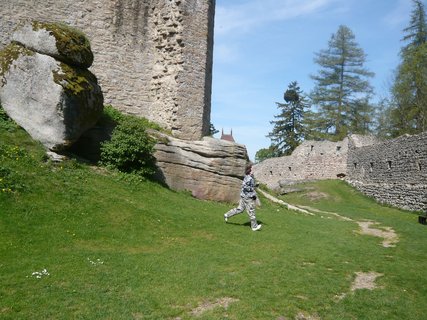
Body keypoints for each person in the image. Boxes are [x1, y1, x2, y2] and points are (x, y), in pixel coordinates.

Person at [224, 163, 262, 231]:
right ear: (250, 169)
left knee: (240, 209)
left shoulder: (250, 176)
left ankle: (227, 215)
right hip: (248, 197)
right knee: (251, 211)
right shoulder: (249, 177)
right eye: (252, 168)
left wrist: (255, 185)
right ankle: (254, 227)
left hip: (244, 196)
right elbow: (245, 186)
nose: (254, 169)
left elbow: (250, 186)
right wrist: (253, 194)